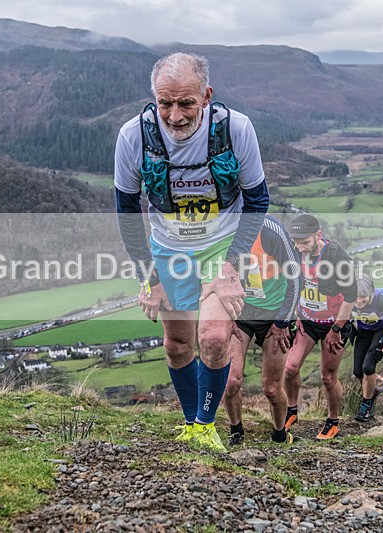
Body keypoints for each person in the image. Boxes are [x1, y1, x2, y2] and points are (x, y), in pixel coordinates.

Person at [114, 52, 269, 451]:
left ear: (207, 96)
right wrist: (149, 278)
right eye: (165, 103)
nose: (176, 115)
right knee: (177, 344)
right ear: (154, 99)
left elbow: (258, 201)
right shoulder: (134, 136)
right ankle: (190, 422)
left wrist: (231, 267)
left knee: (215, 336)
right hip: (169, 247)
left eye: (186, 103)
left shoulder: (236, 129)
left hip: (225, 243)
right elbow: (128, 212)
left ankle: (204, 424)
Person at [223, 214, 301, 446]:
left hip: (274, 316)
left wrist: (282, 322)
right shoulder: (221, 230)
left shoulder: (269, 231)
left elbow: (297, 279)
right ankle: (236, 433)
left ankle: (279, 434)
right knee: (230, 382)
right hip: (242, 315)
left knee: (271, 388)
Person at [282, 214, 357, 440]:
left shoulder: (336, 257)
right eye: (296, 241)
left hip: (334, 323)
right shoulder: (296, 253)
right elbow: (294, 285)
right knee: (290, 368)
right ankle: (292, 410)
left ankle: (333, 421)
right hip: (307, 320)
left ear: (318, 236)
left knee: (327, 376)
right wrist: (296, 314)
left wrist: (336, 329)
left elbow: (351, 296)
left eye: (304, 241)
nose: (299, 246)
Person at [348, 275, 383, 422]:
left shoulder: (380, 299)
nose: (359, 302)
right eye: (356, 297)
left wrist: (382, 344)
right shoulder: (347, 297)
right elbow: (345, 315)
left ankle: (366, 405)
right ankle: (373, 392)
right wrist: (351, 331)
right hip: (364, 331)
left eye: (364, 297)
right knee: (358, 371)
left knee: (368, 367)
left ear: (371, 293)